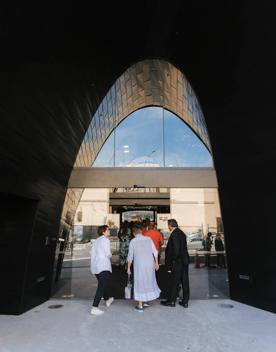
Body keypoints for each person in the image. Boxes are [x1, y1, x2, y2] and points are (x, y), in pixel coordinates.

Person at [127, 224, 161, 312]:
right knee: (148, 281)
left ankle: (140, 306)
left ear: (134, 233)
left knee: (140, 282)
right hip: (150, 264)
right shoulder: (148, 239)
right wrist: (156, 263)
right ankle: (146, 301)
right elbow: (155, 251)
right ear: (141, 232)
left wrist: (128, 268)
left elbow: (130, 256)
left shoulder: (133, 241)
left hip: (139, 265)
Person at [161, 219, 190, 308]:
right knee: (185, 282)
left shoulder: (174, 234)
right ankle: (185, 302)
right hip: (184, 261)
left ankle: (172, 301)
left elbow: (176, 250)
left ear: (170, 225)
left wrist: (173, 260)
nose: (168, 227)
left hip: (177, 263)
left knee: (174, 282)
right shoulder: (182, 233)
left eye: (168, 225)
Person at [90, 225, 114, 315]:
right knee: (101, 286)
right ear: (103, 232)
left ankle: (108, 299)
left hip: (96, 266)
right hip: (103, 266)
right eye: (108, 230)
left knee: (102, 284)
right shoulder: (105, 240)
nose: (109, 231)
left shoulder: (96, 241)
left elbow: (91, 253)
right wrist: (111, 254)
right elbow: (108, 254)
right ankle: (94, 307)